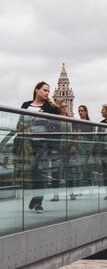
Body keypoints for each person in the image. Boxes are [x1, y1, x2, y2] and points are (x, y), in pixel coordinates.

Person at [20, 82, 59, 213]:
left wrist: (52, 102)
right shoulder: (26, 105)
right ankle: (35, 198)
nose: (47, 93)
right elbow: (20, 122)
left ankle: (38, 202)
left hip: (42, 143)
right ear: (37, 90)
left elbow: (57, 118)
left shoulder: (49, 106)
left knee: (39, 171)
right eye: (44, 90)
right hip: (27, 143)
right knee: (30, 172)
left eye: (48, 91)